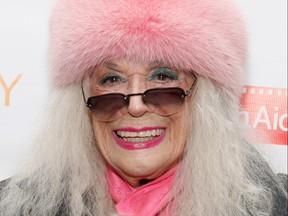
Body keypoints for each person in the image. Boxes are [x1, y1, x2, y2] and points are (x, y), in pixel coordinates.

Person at [0, 0, 287, 215]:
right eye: (111, 79)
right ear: (81, 104)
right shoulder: (15, 205)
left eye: (163, 76)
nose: (136, 105)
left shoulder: (276, 205)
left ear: (204, 102)